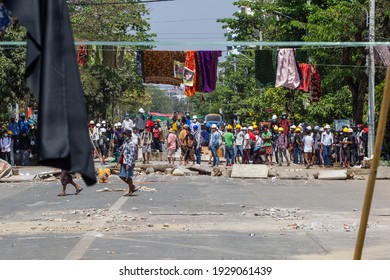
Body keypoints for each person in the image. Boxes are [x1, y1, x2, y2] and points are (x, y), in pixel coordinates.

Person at [119, 130, 137, 197]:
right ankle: (132, 186)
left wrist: (128, 164)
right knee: (121, 176)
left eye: (125, 135)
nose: (124, 136)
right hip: (124, 161)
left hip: (129, 162)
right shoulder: (125, 143)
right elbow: (121, 149)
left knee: (129, 177)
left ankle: (130, 190)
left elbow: (132, 155)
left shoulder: (132, 144)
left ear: (129, 136)